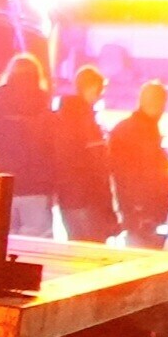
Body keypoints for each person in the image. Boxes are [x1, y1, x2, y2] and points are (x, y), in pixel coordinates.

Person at [0, 54, 62, 234]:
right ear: (38, 77)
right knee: (33, 252)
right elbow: (59, 155)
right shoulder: (48, 117)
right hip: (36, 193)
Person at [55, 65, 120, 241]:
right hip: (89, 199)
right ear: (91, 88)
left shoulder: (62, 116)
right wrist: (109, 212)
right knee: (93, 251)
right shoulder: (86, 121)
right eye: (99, 91)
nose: (100, 96)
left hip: (68, 199)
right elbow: (99, 168)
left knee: (76, 249)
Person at [110, 80, 168, 248]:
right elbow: (141, 174)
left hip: (139, 211)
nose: (163, 109)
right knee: (145, 258)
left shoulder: (129, 129)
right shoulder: (142, 132)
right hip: (144, 211)